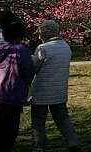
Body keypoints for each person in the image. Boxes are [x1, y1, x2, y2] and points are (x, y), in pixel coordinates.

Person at [28, 20, 81, 152]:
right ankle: (73, 143)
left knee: (39, 121)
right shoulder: (65, 47)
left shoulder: (43, 48)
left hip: (41, 91)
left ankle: (39, 147)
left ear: (44, 34)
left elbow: (34, 68)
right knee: (63, 118)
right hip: (59, 91)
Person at [0, 21, 36, 152]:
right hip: (10, 97)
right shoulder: (20, 50)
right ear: (19, 36)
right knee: (7, 137)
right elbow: (29, 70)